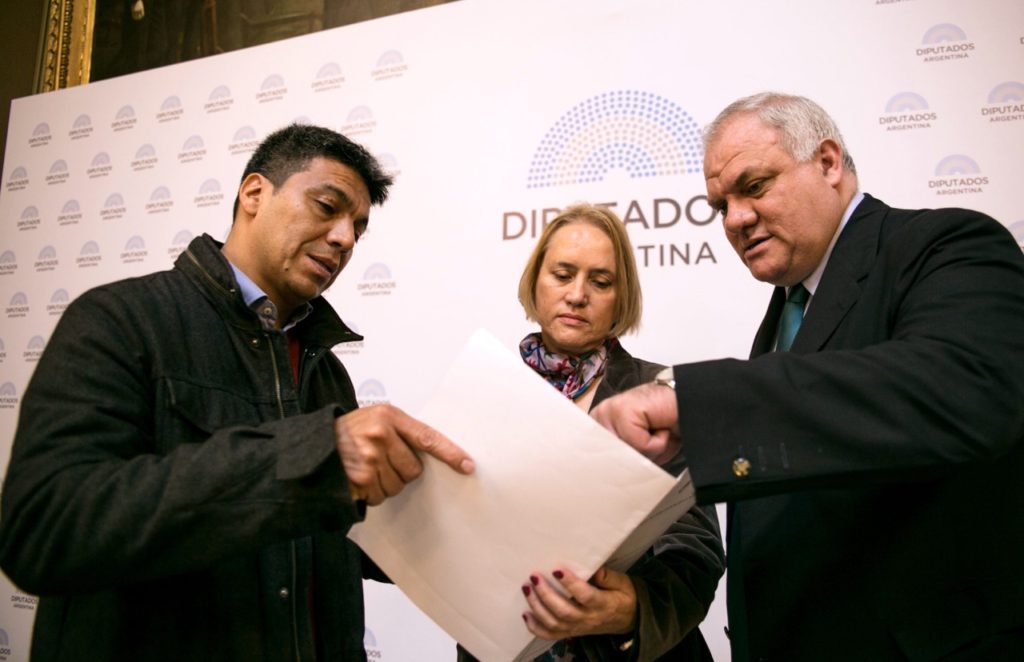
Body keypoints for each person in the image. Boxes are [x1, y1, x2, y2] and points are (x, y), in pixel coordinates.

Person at [0, 124, 474, 661]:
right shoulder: (119, 321)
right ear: (253, 194)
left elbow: (340, 545)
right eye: (327, 207)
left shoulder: (325, 372)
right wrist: (309, 458)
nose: (344, 238)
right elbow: (44, 530)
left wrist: (489, 549)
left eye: (357, 230)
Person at [591, 92, 1024, 661]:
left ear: (828, 162)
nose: (736, 219)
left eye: (754, 186)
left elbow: (967, 390)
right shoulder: (783, 315)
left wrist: (695, 407)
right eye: (721, 205)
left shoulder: (946, 245)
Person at [459, 204, 725, 662]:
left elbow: (695, 549)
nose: (577, 295)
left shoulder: (658, 393)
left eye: (600, 282)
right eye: (562, 275)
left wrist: (631, 610)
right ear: (535, 282)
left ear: (622, 298)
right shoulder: (485, 393)